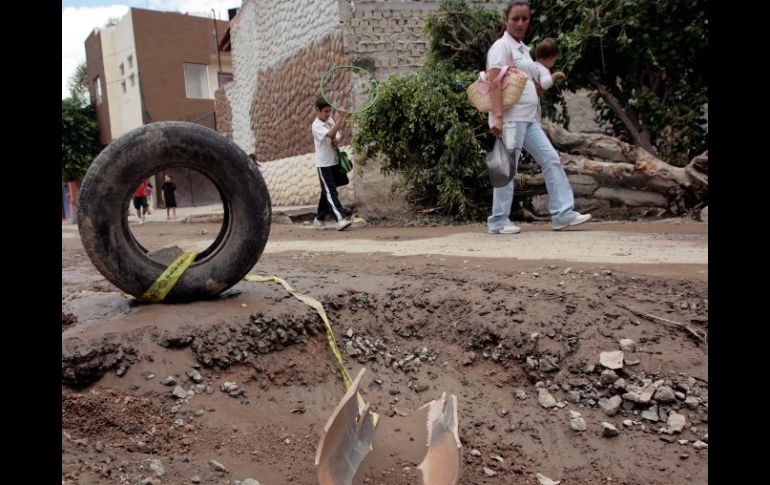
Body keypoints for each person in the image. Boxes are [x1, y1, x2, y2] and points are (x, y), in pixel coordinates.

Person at [486, 0, 591, 234]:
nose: (521, 23)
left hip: (528, 119)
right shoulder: (501, 47)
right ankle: (499, 221)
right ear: (506, 21)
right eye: (516, 19)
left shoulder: (522, 48)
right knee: (507, 168)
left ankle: (562, 214)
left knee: (551, 159)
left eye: (525, 19)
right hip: (511, 120)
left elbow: (526, 82)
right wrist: (499, 118)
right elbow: (494, 82)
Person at [311, 96, 354, 231]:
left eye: (330, 111)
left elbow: (337, 135)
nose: (328, 114)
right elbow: (330, 134)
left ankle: (319, 219)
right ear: (317, 110)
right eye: (325, 111)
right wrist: (341, 117)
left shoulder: (330, 120)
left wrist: (337, 141)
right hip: (324, 164)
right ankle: (340, 219)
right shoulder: (316, 125)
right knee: (331, 192)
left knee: (328, 191)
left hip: (334, 161)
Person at [532, 37, 566, 121]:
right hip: (533, 102)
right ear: (549, 59)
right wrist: (555, 76)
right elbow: (544, 84)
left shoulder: (532, 65)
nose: (554, 63)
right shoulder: (543, 70)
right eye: (554, 60)